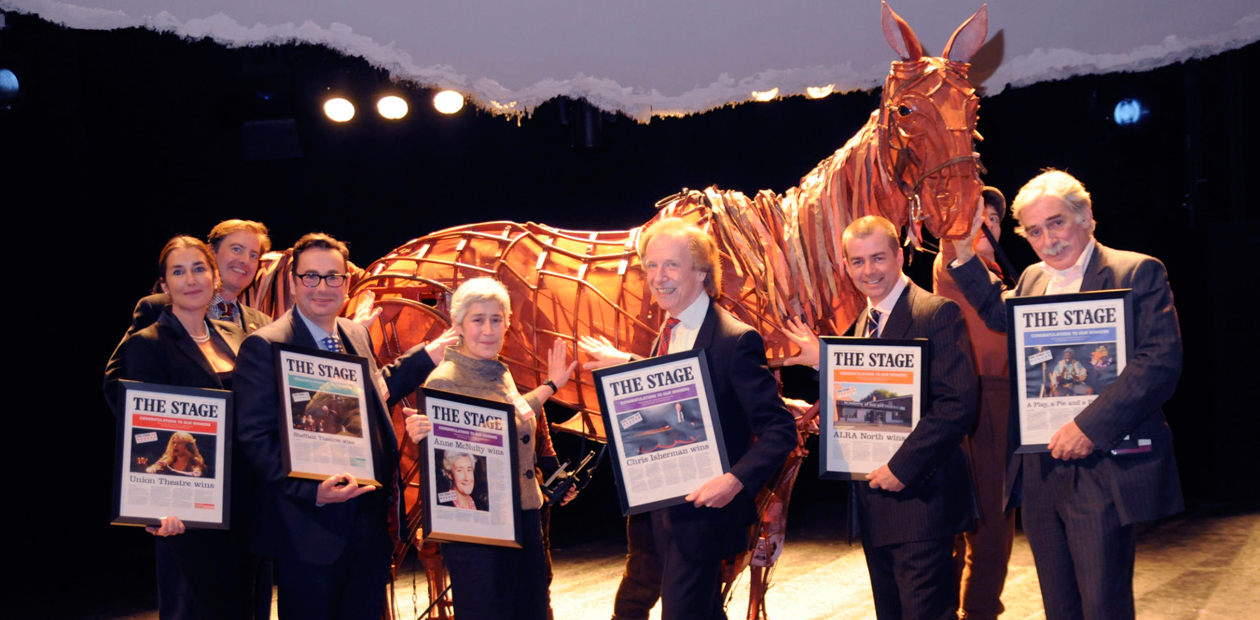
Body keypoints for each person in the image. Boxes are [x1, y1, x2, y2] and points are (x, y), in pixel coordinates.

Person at [947, 169, 1184, 620]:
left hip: (1100, 463)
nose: (1048, 239)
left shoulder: (1136, 271)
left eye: (1056, 223)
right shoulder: (1034, 280)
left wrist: (1086, 428)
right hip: (1039, 471)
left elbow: (1159, 362)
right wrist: (961, 254)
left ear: (1086, 217)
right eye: (1034, 231)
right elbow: (1001, 312)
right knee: (1059, 606)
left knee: (1102, 605)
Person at [580, 218, 797, 620]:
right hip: (656, 510)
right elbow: (679, 392)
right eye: (651, 265)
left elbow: (779, 430)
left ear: (701, 273)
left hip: (703, 514)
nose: (658, 277)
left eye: (671, 266)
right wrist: (629, 366)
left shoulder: (735, 340)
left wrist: (732, 482)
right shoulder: (667, 330)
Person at [232, 232, 455, 620]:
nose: (323, 287)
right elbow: (255, 437)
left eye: (333, 276)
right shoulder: (265, 345)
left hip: (367, 521)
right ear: (293, 282)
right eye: (311, 277)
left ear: (347, 283)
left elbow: (373, 392)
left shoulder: (354, 333)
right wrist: (312, 491)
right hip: (309, 527)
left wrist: (426, 356)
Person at [788, 215, 978, 620]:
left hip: (922, 501)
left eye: (878, 258)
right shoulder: (861, 325)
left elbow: (956, 404)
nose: (868, 271)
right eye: (857, 262)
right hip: (877, 505)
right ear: (845, 266)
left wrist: (901, 466)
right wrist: (827, 404)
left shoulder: (936, 312)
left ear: (899, 256)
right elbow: (872, 393)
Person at [404, 277, 577, 620]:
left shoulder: (499, 372)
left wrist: (550, 386)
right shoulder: (446, 380)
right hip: (480, 528)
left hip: (526, 515)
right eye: (477, 319)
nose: (488, 329)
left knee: (530, 611)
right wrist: (420, 430)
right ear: (459, 325)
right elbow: (469, 447)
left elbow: (511, 419)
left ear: (507, 324)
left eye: (496, 319)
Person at [116, 235, 256, 619]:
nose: (190, 279)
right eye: (178, 272)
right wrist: (155, 509)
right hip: (188, 511)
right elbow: (147, 427)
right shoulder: (148, 343)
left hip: (247, 503)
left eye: (198, 269)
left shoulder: (238, 337)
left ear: (214, 277)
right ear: (164, 286)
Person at [931, 186, 1016, 620]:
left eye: (995, 220)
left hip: (999, 399)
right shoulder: (956, 263)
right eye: (976, 216)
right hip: (981, 397)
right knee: (990, 524)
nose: (987, 224)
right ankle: (977, 612)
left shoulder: (996, 273)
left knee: (990, 523)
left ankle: (974, 610)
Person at [106, 219, 273, 416]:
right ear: (212, 253)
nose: (245, 260)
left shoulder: (263, 323)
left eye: (254, 255)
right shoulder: (156, 310)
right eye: (237, 249)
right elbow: (121, 384)